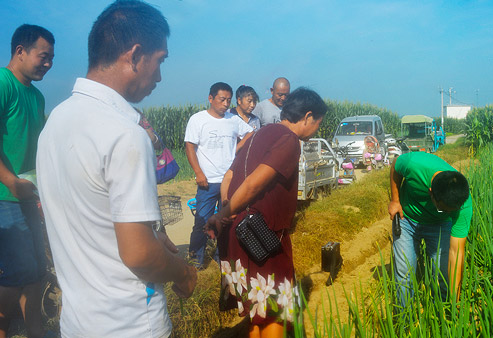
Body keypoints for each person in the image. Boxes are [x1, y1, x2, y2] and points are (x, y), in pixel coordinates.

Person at [36, 2, 197, 337]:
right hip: (131, 324)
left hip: (78, 323)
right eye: (160, 61)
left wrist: (157, 238)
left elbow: (94, 218)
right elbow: (138, 254)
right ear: (135, 56)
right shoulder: (125, 133)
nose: (160, 76)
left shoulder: (55, 124)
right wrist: (182, 272)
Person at [206, 87, 328, 337]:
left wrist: (227, 210)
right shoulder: (289, 140)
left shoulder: (256, 134)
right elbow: (254, 183)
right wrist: (222, 213)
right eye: (318, 123)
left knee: (258, 310)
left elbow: (229, 176)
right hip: (263, 238)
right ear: (307, 116)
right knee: (275, 312)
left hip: (239, 234)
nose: (317, 129)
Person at [0, 24, 54, 338]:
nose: (48, 64)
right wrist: (9, 181)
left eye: (51, 59)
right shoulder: (4, 83)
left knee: (37, 273)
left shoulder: (37, 97)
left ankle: (36, 331)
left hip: (26, 195)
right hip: (5, 196)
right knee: (19, 272)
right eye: (43, 56)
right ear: (20, 51)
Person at [387, 152, 472, 306]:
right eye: (443, 209)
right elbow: (395, 166)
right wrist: (395, 200)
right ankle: (405, 320)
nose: (448, 212)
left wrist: (455, 302)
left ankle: (445, 311)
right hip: (407, 219)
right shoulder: (414, 164)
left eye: (450, 211)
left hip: (440, 225)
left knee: (443, 272)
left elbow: (456, 252)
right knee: (404, 272)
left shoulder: (463, 205)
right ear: (431, 193)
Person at [184, 82, 253, 269]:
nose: (225, 104)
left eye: (228, 100)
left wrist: (236, 149)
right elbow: (189, 146)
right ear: (210, 98)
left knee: (226, 220)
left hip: (229, 181)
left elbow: (250, 133)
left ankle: (220, 256)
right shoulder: (198, 120)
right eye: (222, 100)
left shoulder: (233, 119)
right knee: (202, 221)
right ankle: (195, 259)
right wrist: (198, 173)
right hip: (207, 182)